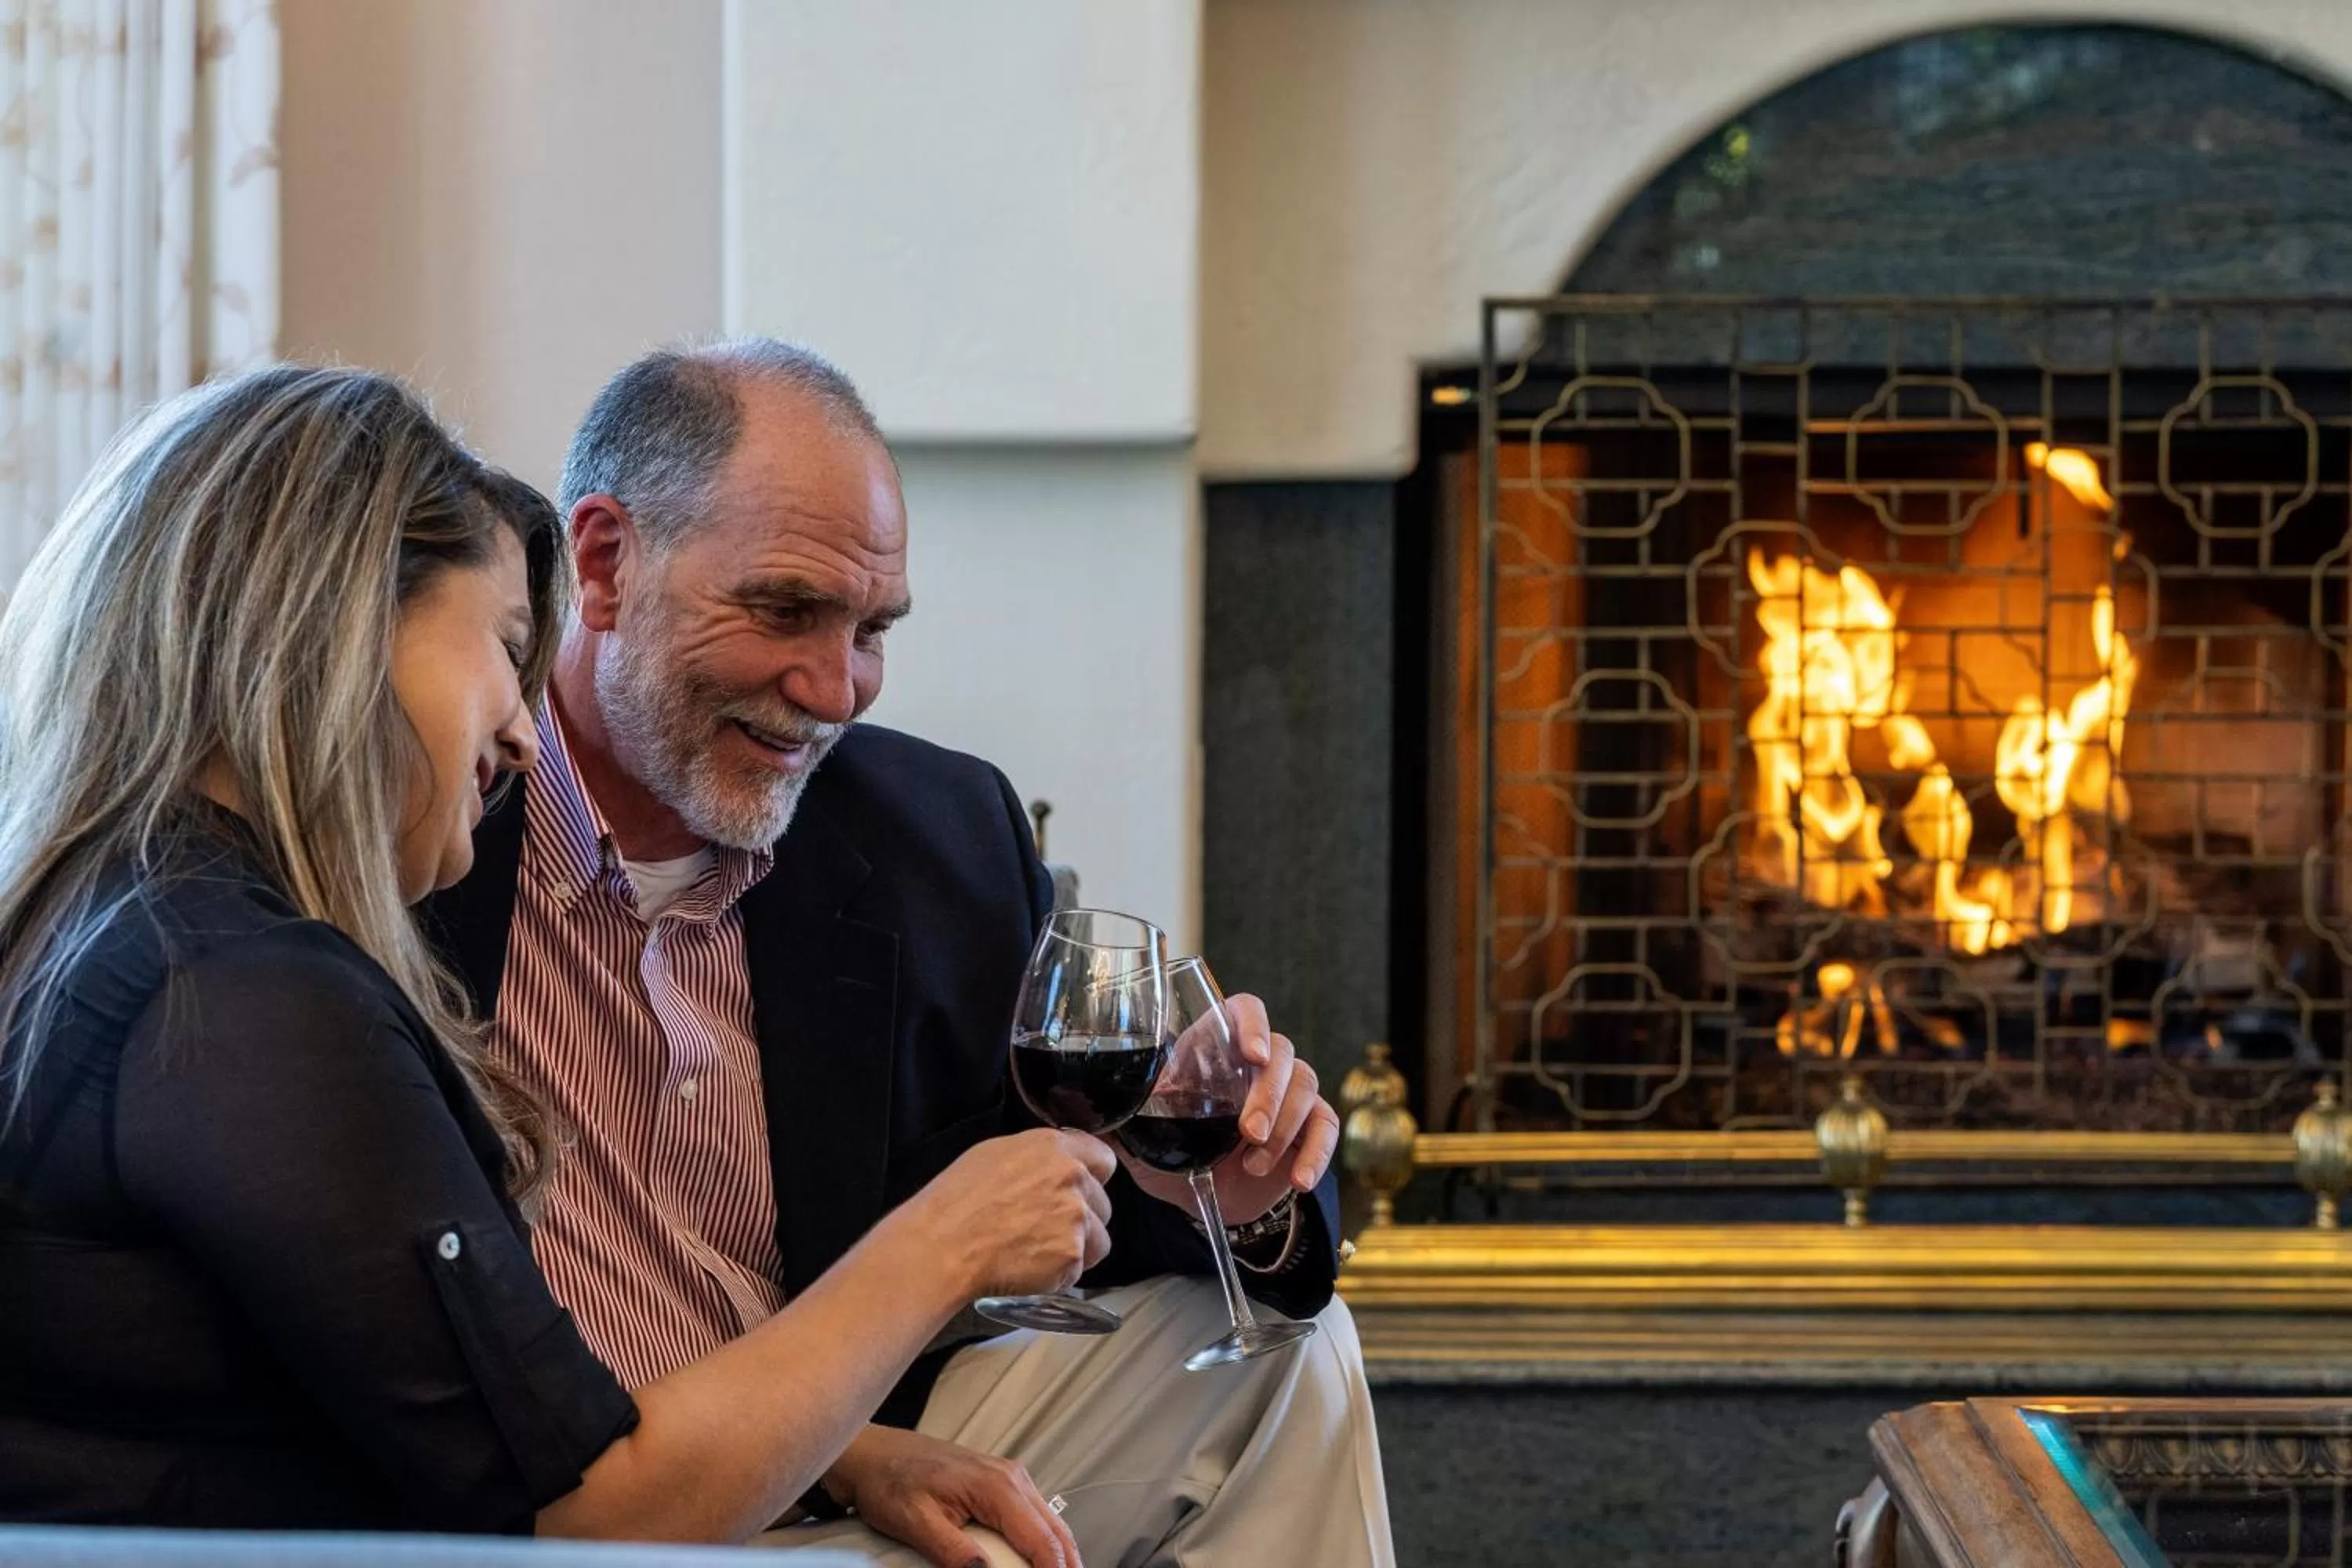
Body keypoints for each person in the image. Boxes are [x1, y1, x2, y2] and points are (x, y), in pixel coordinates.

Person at [0, 365, 1120, 1553]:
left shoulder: (130, 932)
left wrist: (852, 1451)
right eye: (503, 642)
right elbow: (590, 1504)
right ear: (340, 632)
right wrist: (941, 1247)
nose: (525, 728)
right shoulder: (249, 996)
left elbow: (455, 1403)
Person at [423, 339, 1396, 1567]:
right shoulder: (422, 826)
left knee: (1292, 1364)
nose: (836, 692)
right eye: (785, 610)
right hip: (587, 1509)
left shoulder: (933, 833)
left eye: (873, 630)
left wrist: (1201, 1179)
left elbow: (1062, 1190)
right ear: (606, 564)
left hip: (862, 1456)